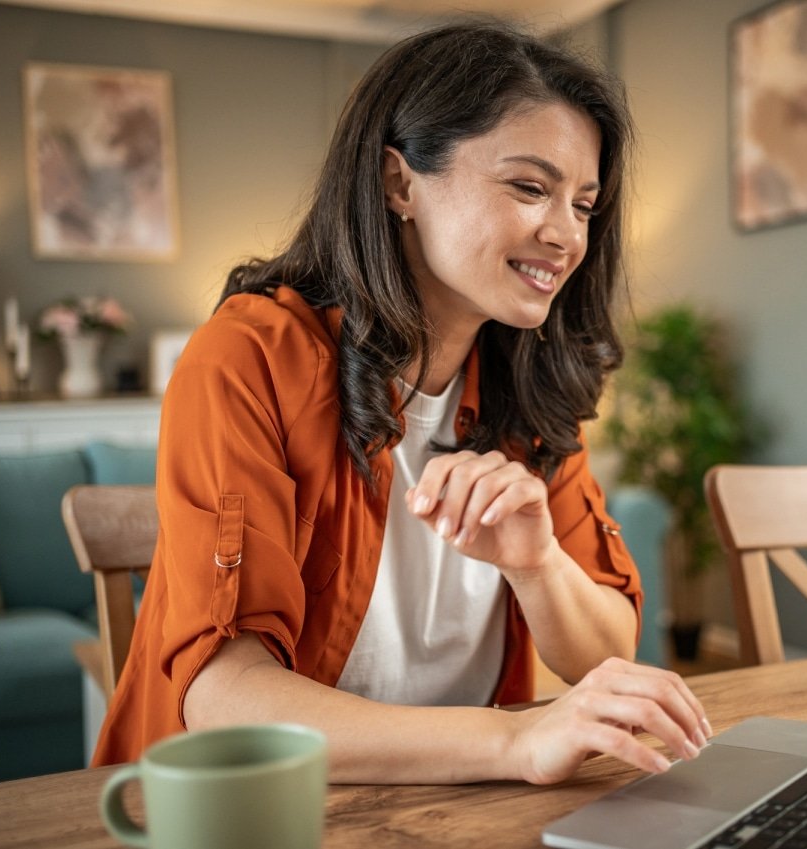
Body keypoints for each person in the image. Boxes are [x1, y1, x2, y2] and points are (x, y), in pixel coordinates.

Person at [93, 20, 710, 785]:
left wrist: (536, 562)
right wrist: (510, 744)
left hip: (451, 807)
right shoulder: (248, 358)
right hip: (237, 807)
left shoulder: (530, 381)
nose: (565, 235)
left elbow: (608, 648)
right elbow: (224, 697)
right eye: (529, 186)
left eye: (583, 205)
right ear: (398, 183)